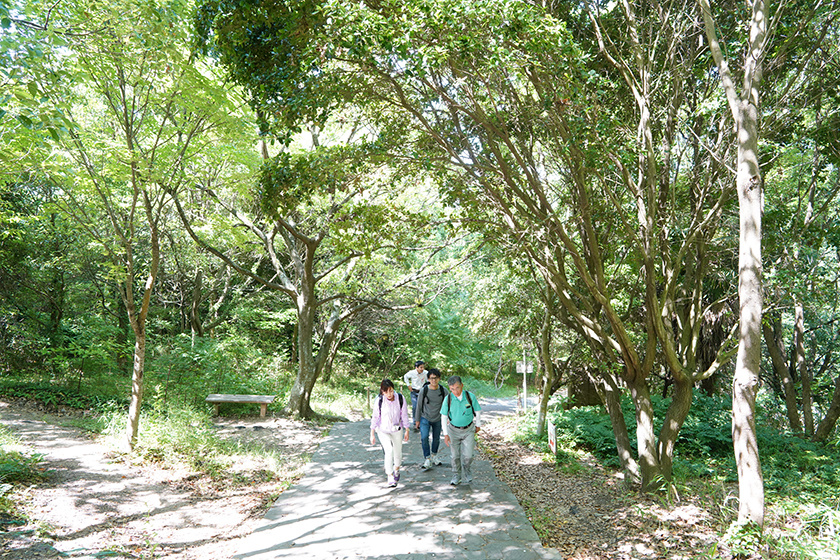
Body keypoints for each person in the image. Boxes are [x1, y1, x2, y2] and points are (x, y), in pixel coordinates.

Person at [441, 375, 481, 485]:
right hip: (453, 431)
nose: (455, 391)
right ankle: (456, 475)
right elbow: (444, 416)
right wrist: (445, 434)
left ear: (462, 385)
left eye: (457, 388)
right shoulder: (448, 399)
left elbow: (477, 411)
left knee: (468, 455)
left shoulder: (469, 396)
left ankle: (467, 469)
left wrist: (478, 424)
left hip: (468, 430)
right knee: (455, 456)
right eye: (452, 389)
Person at [370, 379, 410, 487]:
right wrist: (372, 433)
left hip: (397, 429)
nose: (389, 394)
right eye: (386, 392)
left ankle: (396, 468)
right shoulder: (379, 400)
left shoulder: (400, 398)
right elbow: (375, 416)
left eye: (391, 391)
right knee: (389, 451)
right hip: (383, 430)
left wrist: (407, 429)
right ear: (382, 392)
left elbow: (404, 414)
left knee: (398, 452)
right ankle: (390, 475)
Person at [414, 368, 447, 470]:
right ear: (428, 379)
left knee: (436, 438)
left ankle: (434, 455)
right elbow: (418, 406)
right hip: (425, 417)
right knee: (424, 437)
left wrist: (448, 418)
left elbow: (448, 405)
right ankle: (427, 458)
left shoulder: (443, 390)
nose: (434, 380)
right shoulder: (424, 390)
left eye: (436, 378)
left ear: (439, 379)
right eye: (432, 378)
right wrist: (417, 420)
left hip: (438, 418)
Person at [403, 360, 427, 430]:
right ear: (416, 368)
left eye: (423, 367)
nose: (422, 369)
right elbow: (405, 376)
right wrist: (408, 385)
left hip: (422, 392)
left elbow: (429, 379)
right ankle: (415, 423)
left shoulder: (425, 373)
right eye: (420, 367)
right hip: (414, 392)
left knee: (423, 407)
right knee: (415, 407)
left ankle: (422, 423)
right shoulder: (412, 373)